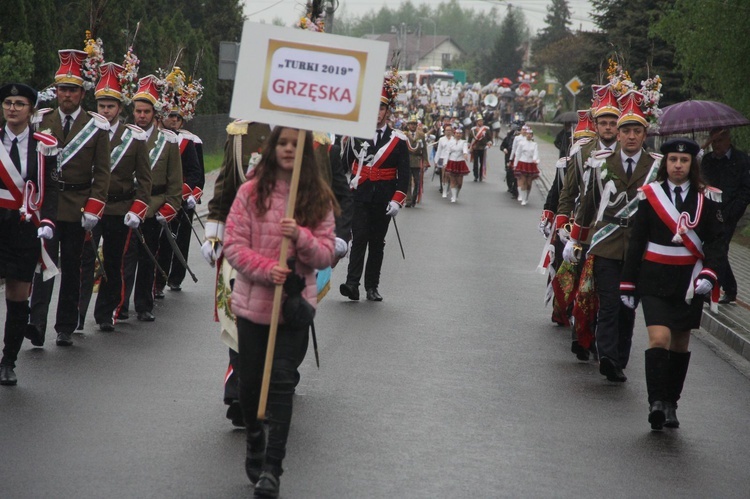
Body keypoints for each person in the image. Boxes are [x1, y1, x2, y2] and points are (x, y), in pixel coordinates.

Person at [223, 126, 337, 497]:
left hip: (292, 311)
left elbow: (324, 254)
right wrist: (265, 268)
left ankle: (273, 468)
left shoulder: (317, 197)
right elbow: (234, 247)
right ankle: (255, 438)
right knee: (250, 389)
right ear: (273, 149)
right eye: (283, 143)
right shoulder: (250, 193)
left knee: (283, 384)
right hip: (253, 310)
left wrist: (301, 236)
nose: (289, 149)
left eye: (296, 144)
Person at [620, 138, 725, 430]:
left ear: (692, 165)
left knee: (680, 343)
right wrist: (628, 283)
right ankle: (655, 402)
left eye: (684, 161)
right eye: (673, 160)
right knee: (659, 339)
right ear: (665, 163)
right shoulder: (649, 195)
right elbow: (637, 241)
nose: (678, 165)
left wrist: (710, 274)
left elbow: (717, 242)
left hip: (689, 282)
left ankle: (670, 403)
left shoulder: (707, 198)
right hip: (654, 278)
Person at [563, 90, 662, 383]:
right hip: (606, 243)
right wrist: (575, 239)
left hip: (638, 249)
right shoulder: (599, 162)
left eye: (637, 131)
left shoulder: (655, 168)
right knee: (607, 302)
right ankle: (606, 357)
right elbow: (589, 204)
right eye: (626, 130)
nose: (631, 136)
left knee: (627, 305)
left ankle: (619, 357)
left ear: (645, 135)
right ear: (617, 134)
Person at [29, 48, 111, 347]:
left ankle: (65, 325)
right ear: (57, 91)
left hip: (79, 206)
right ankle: (36, 323)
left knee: (74, 268)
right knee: (44, 265)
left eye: (73, 90)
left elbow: (103, 172)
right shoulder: (40, 120)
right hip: (48, 206)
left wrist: (94, 208)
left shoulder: (96, 127)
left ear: (82, 93)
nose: (67, 95)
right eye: (62, 89)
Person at [76, 62, 152, 332]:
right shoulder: (86, 132)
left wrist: (138, 209)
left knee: (114, 261)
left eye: (110, 107)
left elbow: (144, 179)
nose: (105, 111)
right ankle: (77, 316)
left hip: (120, 208)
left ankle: (105, 314)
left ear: (120, 108)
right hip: (92, 209)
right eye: (101, 106)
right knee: (85, 262)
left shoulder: (135, 138)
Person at [0, 83, 58, 385]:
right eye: (8, 103)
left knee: (16, 294)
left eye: (19, 103)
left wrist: (47, 219)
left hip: (24, 227)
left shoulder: (43, 145)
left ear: (31, 109)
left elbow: (50, 186)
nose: (12, 108)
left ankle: (8, 360)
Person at [339, 72, 409, 302]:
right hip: (360, 196)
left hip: (383, 200)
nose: (377, 112)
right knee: (359, 237)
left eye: (381, 108)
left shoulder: (397, 140)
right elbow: (345, 164)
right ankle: (352, 284)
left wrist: (397, 200)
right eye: (374, 107)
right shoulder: (357, 135)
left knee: (376, 243)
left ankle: (372, 286)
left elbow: (404, 175)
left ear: (387, 111)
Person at [122, 74, 182, 322]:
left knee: (148, 258)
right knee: (126, 258)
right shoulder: (123, 137)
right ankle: (121, 304)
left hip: (152, 207)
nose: (141, 116)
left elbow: (175, 184)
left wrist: (165, 212)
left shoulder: (167, 143)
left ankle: (144, 305)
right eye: (138, 111)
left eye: (146, 111)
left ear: (154, 114)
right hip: (127, 206)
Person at [154, 81, 205, 295]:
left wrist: (192, 194)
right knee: (163, 241)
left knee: (181, 239)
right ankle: (159, 279)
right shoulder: (156, 138)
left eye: (177, 117)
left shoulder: (191, 141)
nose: (173, 120)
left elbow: (198, 173)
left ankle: (176, 276)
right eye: (170, 116)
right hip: (161, 198)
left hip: (184, 197)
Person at [700, 128, 750, 304]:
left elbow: (746, 189)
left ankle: (714, 287)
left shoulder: (742, 160)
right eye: (713, 142)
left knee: (720, 248)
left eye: (720, 141)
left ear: (728, 139)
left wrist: (733, 210)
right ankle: (729, 288)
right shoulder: (707, 161)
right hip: (709, 213)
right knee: (716, 249)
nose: (716, 145)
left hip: (729, 213)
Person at [435, 123, 470, 203]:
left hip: (460, 162)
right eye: (457, 133)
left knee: (460, 182)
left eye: (460, 134)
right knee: (449, 177)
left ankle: (456, 193)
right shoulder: (448, 142)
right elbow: (446, 152)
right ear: (455, 134)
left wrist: (465, 154)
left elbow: (465, 149)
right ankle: (452, 195)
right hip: (451, 161)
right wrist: (443, 162)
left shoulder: (464, 142)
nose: (458, 135)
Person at [511, 126, 539, 206]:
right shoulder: (521, 143)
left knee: (529, 183)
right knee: (522, 181)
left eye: (530, 134)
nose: (529, 135)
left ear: (532, 135)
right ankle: (522, 198)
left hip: (530, 164)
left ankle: (526, 197)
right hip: (522, 163)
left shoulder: (534, 144)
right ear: (526, 134)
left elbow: (536, 153)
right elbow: (518, 154)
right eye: (528, 134)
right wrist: (515, 164)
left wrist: (535, 159)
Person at [403, 115, 427, 207]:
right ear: (408, 125)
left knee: (417, 181)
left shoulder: (421, 135)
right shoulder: (404, 134)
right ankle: (408, 200)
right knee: (408, 181)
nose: (413, 126)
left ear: (417, 125)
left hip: (417, 160)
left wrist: (425, 160)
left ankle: (414, 198)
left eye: (414, 124)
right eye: (411, 124)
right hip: (407, 159)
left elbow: (424, 148)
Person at [469, 114, 492, 182]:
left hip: (483, 148)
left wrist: (489, 144)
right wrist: (469, 146)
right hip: (475, 148)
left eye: (482, 121)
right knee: (475, 163)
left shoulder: (486, 129)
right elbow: (470, 139)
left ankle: (481, 175)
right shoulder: (473, 130)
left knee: (482, 163)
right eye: (479, 121)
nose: (481, 122)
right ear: (477, 122)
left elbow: (489, 139)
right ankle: (475, 176)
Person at [500, 123, 520, 198]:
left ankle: (515, 190)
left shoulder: (522, 139)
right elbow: (502, 146)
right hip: (508, 157)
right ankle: (510, 186)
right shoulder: (508, 137)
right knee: (509, 173)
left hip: (517, 158)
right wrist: (504, 149)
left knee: (516, 174)